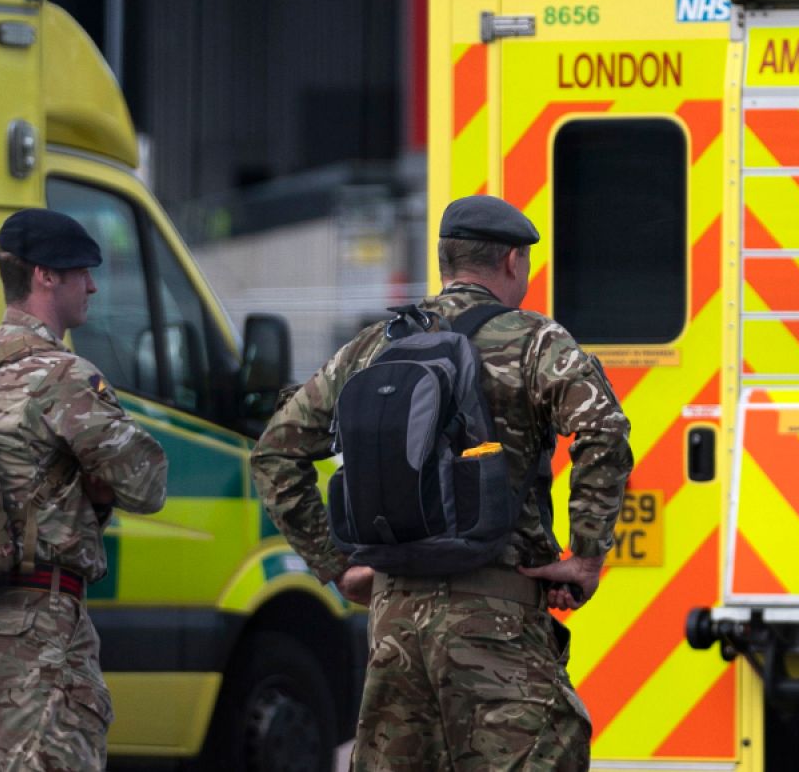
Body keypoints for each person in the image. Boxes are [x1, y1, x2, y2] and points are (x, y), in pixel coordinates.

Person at [251, 194, 634, 770]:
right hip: (497, 622)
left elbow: (276, 452)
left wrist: (336, 563)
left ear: (444, 262)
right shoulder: (535, 342)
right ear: (511, 263)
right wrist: (585, 556)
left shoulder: (375, 346)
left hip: (394, 627)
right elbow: (603, 433)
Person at [0, 208, 168, 771]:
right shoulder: (61, 376)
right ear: (46, 275)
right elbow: (146, 483)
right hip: (39, 627)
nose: (92, 284)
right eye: (81, 272)